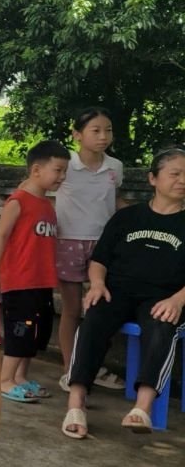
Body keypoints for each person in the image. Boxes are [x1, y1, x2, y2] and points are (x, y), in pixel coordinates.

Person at [61, 146, 185, 438]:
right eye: (175, 174)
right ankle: (76, 402)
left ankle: (141, 409)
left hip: (164, 296)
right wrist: (98, 284)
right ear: (153, 178)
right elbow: (99, 260)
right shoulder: (127, 217)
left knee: (161, 325)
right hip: (116, 291)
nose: (182, 181)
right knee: (93, 320)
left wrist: (178, 300)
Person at [0, 140, 70, 402]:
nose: (62, 177)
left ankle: (20, 377)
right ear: (36, 170)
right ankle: (4, 380)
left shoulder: (47, 205)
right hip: (20, 280)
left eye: (64, 171)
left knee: (37, 331)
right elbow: (1, 237)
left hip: (41, 280)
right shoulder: (18, 201)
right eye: (57, 170)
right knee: (20, 330)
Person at [56, 107, 126, 391]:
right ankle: (70, 370)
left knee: (101, 310)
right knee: (72, 309)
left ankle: (93, 368)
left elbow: (114, 201)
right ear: (77, 135)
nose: (103, 136)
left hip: (104, 245)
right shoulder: (65, 165)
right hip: (68, 241)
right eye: (95, 130)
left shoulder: (115, 167)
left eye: (107, 130)